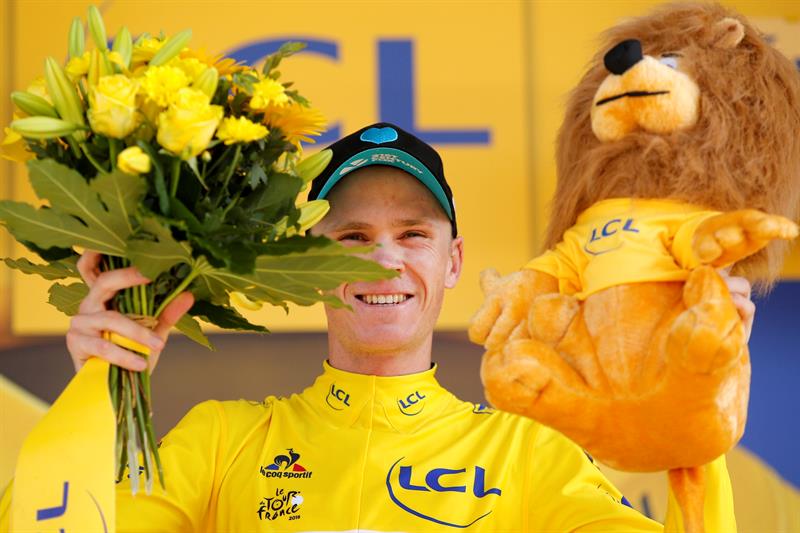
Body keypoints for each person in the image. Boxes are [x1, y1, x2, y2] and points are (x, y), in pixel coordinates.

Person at [3, 123, 753, 531]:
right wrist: (97, 390)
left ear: (453, 261)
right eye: (352, 237)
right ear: (307, 262)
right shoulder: (221, 441)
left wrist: (693, 418)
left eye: (413, 234)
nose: (385, 260)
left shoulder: (529, 455)